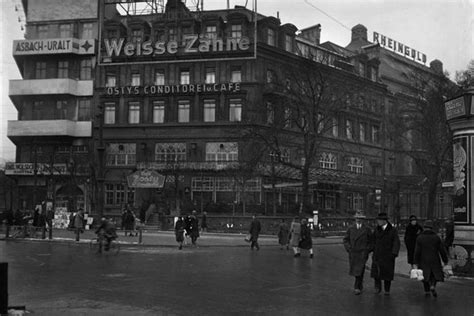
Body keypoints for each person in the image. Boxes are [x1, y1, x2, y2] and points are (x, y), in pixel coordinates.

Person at [413, 220, 449, 298]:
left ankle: (427, 291)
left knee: (425, 276)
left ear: (424, 228)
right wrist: (445, 260)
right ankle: (432, 285)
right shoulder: (436, 237)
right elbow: (442, 250)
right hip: (434, 259)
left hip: (423, 260)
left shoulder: (420, 238)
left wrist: (415, 262)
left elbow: (417, 251)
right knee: (434, 275)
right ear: (431, 228)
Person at [343, 210, 373, 295]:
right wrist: (349, 249)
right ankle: (359, 285)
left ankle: (357, 286)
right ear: (355, 219)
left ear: (363, 220)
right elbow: (345, 239)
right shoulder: (350, 228)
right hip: (353, 253)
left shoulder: (367, 229)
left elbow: (371, 241)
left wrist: (367, 249)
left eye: (360, 218)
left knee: (361, 269)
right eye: (357, 218)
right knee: (356, 270)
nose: (358, 220)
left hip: (362, 253)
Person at [370, 212, 400, 296]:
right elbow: (373, 240)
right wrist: (372, 249)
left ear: (385, 221)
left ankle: (387, 289)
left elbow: (396, 242)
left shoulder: (392, 230)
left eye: (380, 220)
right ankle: (377, 287)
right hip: (377, 254)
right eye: (378, 220)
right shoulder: (376, 230)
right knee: (377, 273)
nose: (378, 222)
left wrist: (394, 253)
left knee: (387, 274)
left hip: (388, 255)